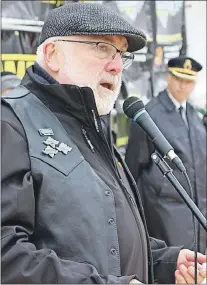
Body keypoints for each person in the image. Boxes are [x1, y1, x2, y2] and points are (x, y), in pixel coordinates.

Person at [1, 4, 206, 284]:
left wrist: (165, 261)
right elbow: (7, 255)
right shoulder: (10, 123)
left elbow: (103, 239)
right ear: (52, 54)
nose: (117, 65)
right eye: (101, 48)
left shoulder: (92, 125)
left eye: (121, 54)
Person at [125, 56, 207, 255]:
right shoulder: (149, 115)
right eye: (178, 79)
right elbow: (133, 168)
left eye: (188, 81)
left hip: (197, 209)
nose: (182, 85)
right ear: (168, 78)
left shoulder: (195, 116)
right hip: (164, 212)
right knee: (173, 268)